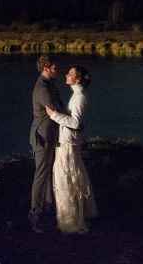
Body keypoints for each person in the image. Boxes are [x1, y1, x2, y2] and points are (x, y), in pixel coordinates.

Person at [45, 65, 98, 234]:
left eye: (71, 73)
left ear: (78, 79)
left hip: (68, 143)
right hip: (67, 141)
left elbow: (74, 123)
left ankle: (71, 223)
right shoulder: (77, 95)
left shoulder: (79, 97)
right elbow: (76, 122)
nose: (66, 75)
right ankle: (69, 219)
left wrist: (53, 115)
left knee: (66, 181)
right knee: (69, 180)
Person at [29, 54, 63, 233]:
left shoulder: (49, 84)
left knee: (49, 173)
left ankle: (48, 210)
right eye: (55, 67)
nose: (57, 69)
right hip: (42, 137)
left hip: (49, 135)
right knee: (41, 176)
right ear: (45, 68)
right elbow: (57, 110)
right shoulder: (43, 88)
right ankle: (35, 215)